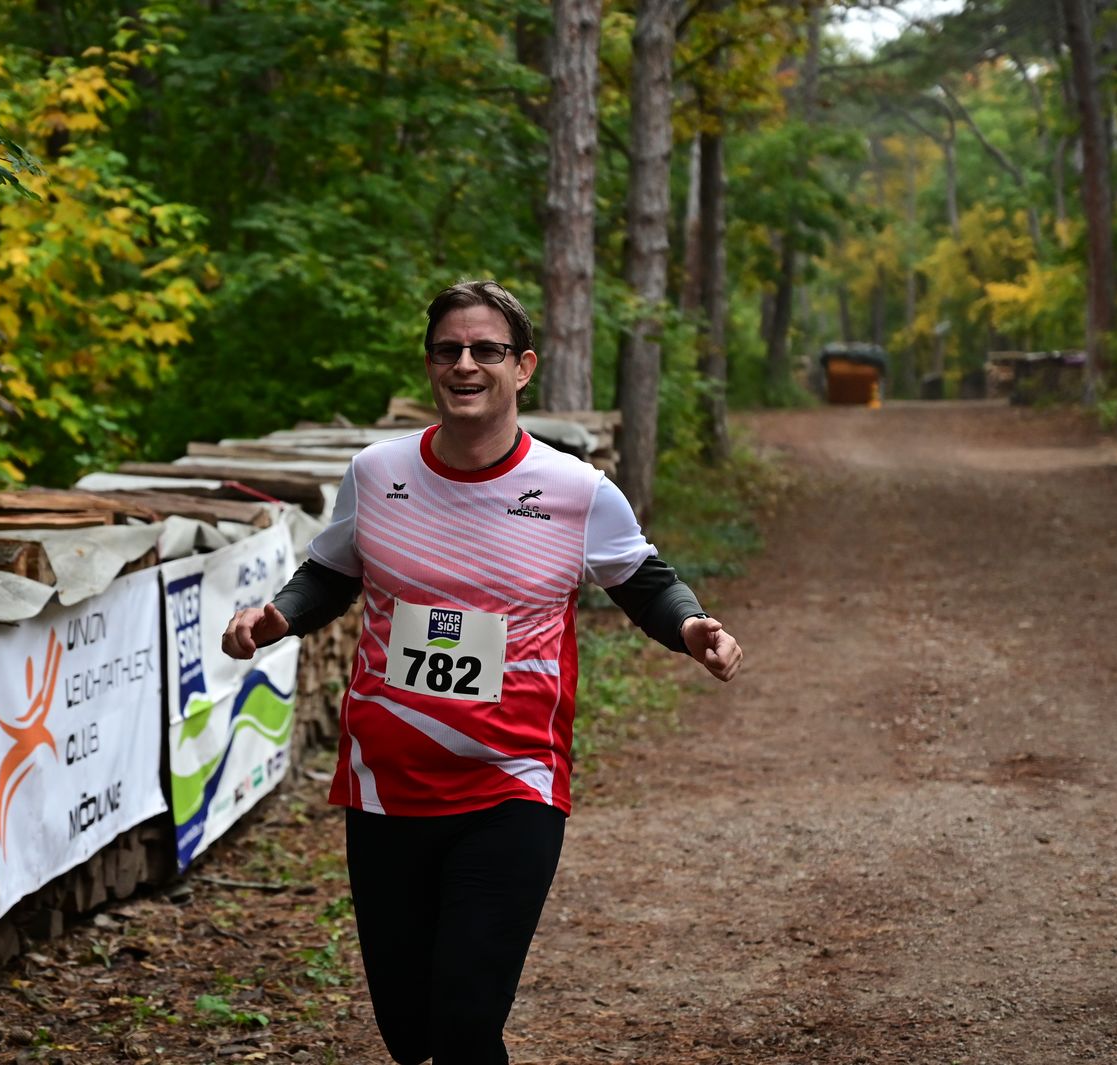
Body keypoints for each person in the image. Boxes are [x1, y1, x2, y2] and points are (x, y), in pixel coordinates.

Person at [221, 279, 742, 1065]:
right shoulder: (376, 473)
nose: (465, 364)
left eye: (486, 350)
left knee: (465, 1023)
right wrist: (279, 616)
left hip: (512, 782)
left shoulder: (575, 490)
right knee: (410, 1033)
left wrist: (692, 625)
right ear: (430, 365)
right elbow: (330, 571)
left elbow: (643, 579)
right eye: (448, 350)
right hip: (386, 784)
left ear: (522, 366)